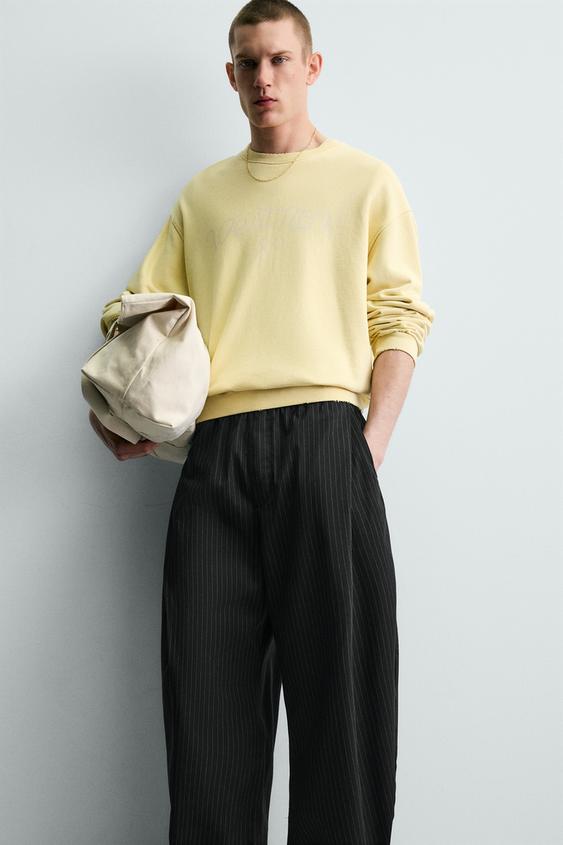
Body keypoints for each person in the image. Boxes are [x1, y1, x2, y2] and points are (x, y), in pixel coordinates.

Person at [90, 1, 435, 842]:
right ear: (230, 75)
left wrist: (367, 444)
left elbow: (399, 317)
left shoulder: (364, 181)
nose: (263, 78)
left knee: (341, 712)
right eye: (247, 63)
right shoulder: (203, 196)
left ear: (311, 67)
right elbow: (133, 313)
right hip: (219, 455)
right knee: (208, 719)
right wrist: (118, 408)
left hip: (328, 442)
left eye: (279, 59)